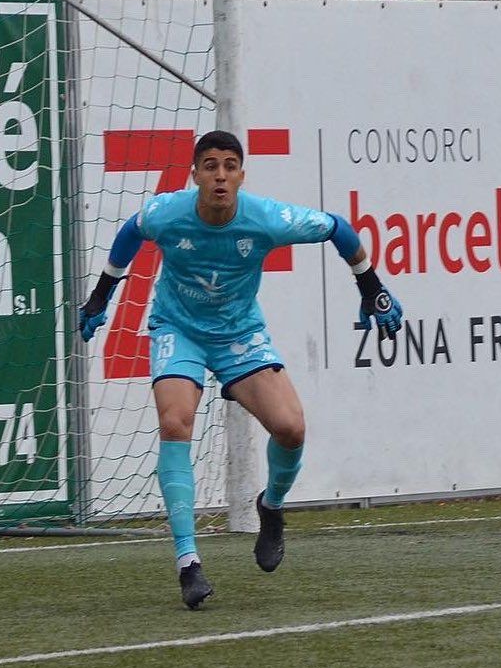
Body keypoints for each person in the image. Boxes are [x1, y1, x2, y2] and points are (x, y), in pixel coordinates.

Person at [78, 130, 404, 610]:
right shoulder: (168, 212)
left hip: (239, 335)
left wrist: (370, 287)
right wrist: (101, 296)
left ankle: (271, 506)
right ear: (195, 175)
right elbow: (130, 232)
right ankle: (188, 562)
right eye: (210, 166)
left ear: (241, 175)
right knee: (174, 421)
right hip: (178, 327)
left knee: (291, 428)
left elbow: (338, 228)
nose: (220, 176)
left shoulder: (265, 218)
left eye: (230, 166)